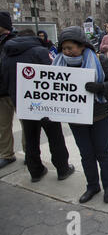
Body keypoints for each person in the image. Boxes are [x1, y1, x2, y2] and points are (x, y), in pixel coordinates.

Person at [53, 26, 108, 204]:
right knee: (86, 154)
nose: (68, 52)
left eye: (71, 48)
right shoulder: (58, 64)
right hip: (76, 118)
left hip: (100, 116)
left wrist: (100, 88)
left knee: (103, 153)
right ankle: (92, 186)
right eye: (64, 48)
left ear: (82, 46)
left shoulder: (99, 59)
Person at [2, 28, 75, 182]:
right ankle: (62, 169)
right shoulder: (40, 52)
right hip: (45, 104)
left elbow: (5, 80)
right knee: (55, 136)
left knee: (30, 138)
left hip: (22, 103)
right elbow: (54, 74)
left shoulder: (7, 53)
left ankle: (35, 171)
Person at [0, 11, 24, 169]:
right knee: (3, 125)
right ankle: (6, 154)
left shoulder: (16, 42)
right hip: (1, 91)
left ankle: (30, 153)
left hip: (17, 89)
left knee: (27, 125)